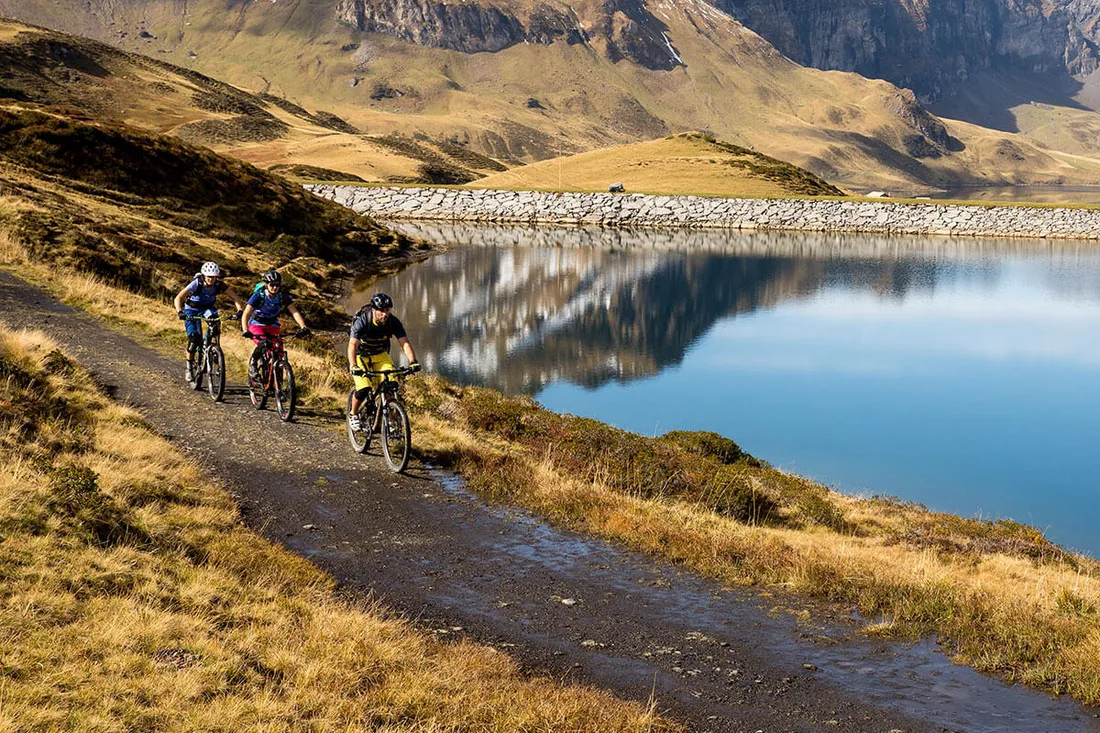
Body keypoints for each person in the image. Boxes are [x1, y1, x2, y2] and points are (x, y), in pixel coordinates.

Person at [347, 292, 420, 431]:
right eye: (381, 310)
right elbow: (352, 345)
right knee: (363, 388)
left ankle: (390, 420)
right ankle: (353, 414)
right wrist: (353, 365)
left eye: (387, 310)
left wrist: (413, 361)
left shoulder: (393, 322)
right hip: (361, 356)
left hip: (380, 355)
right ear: (374, 310)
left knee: (390, 386)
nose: (384, 314)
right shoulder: (363, 321)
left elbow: (404, 343)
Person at [173, 261, 245, 382]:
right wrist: (180, 312)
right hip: (192, 310)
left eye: (213, 277)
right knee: (194, 339)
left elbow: (235, 298)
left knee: (215, 326)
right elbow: (178, 298)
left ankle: (212, 347)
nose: (211, 279)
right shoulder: (197, 283)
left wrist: (239, 311)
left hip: (207, 309)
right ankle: (189, 367)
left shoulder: (219, 284)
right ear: (204, 275)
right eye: (208, 277)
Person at [240, 269, 310, 382]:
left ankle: (277, 383)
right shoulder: (258, 296)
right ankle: (253, 363)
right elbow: (246, 313)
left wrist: (303, 327)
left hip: (273, 325)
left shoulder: (282, 296)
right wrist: (245, 329)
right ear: (266, 285)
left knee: (278, 352)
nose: (275, 288)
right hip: (256, 325)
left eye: (277, 285)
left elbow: (294, 312)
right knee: (263, 344)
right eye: (272, 285)